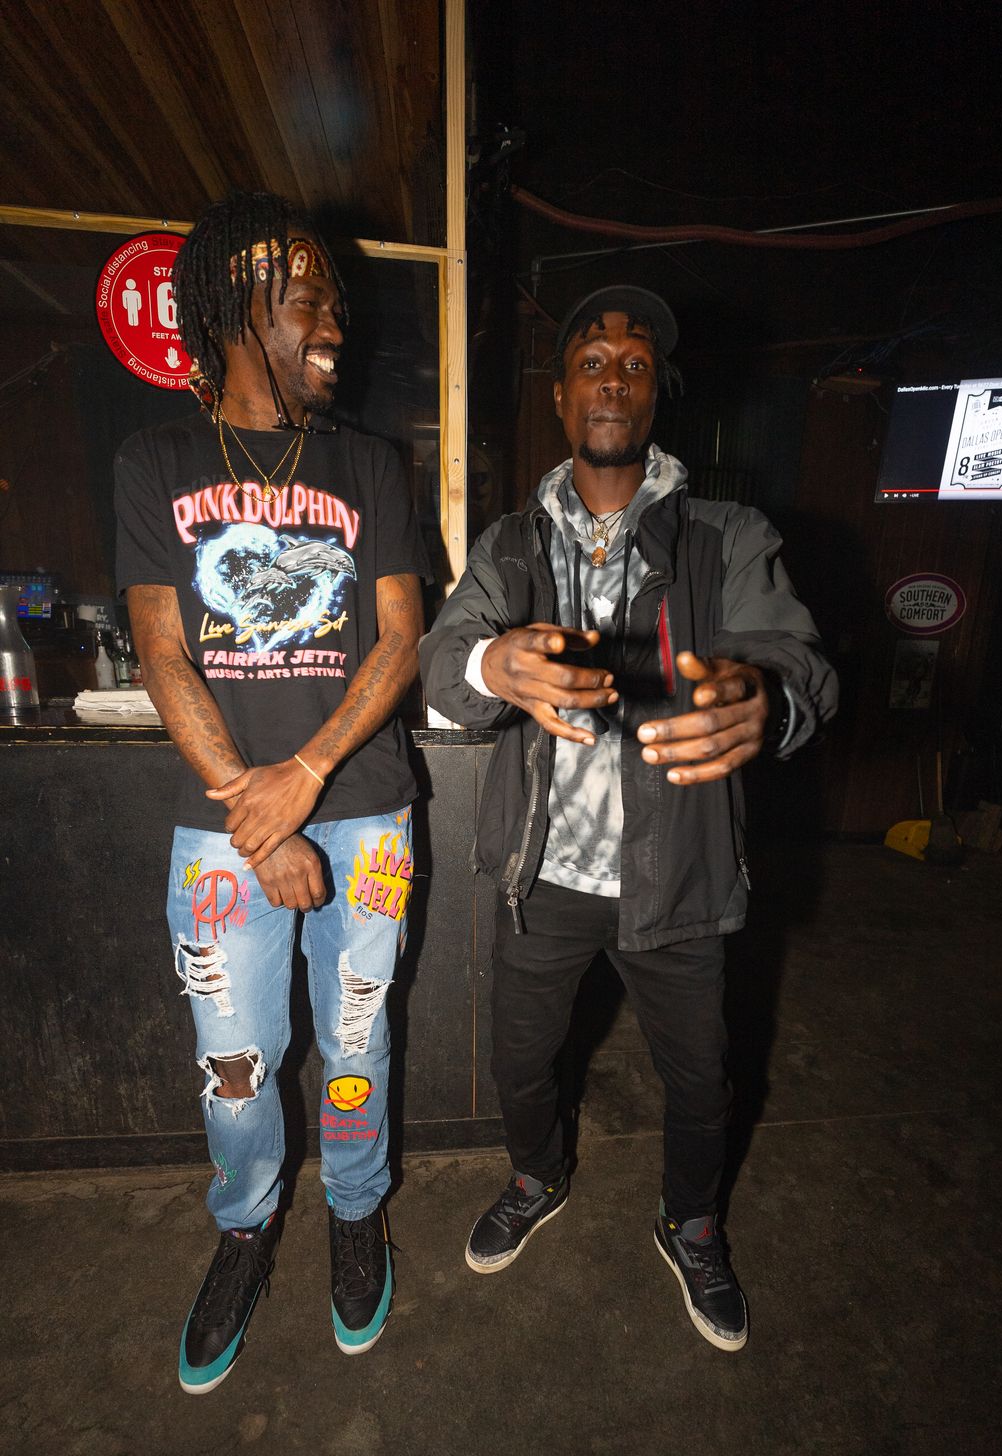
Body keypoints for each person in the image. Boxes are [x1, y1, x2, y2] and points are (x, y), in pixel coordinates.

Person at [420, 285, 837, 1351]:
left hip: (677, 875)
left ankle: (690, 1222)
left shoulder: (726, 534)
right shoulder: (512, 542)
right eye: (591, 363)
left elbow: (795, 658)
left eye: (635, 364)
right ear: (561, 397)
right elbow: (444, 656)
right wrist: (489, 662)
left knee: (699, 1079)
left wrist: (767, 696)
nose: (613, 378)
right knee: (521, 1064)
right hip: (543, 874)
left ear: (657, 397)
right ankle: (536, 1175)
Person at [115, 191, 429, 1393]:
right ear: (230, 309)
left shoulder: (369, 464)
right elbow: (162, 651)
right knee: (234, 1059)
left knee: (356, 1035)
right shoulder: (156, 460)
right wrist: (256, 809)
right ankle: (246, 1227)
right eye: (303, 299)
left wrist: (303, 777)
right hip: (223, 825)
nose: (331, 321)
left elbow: (398, 639)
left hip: (363, 806)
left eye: (332, 300)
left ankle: (354, 1209)